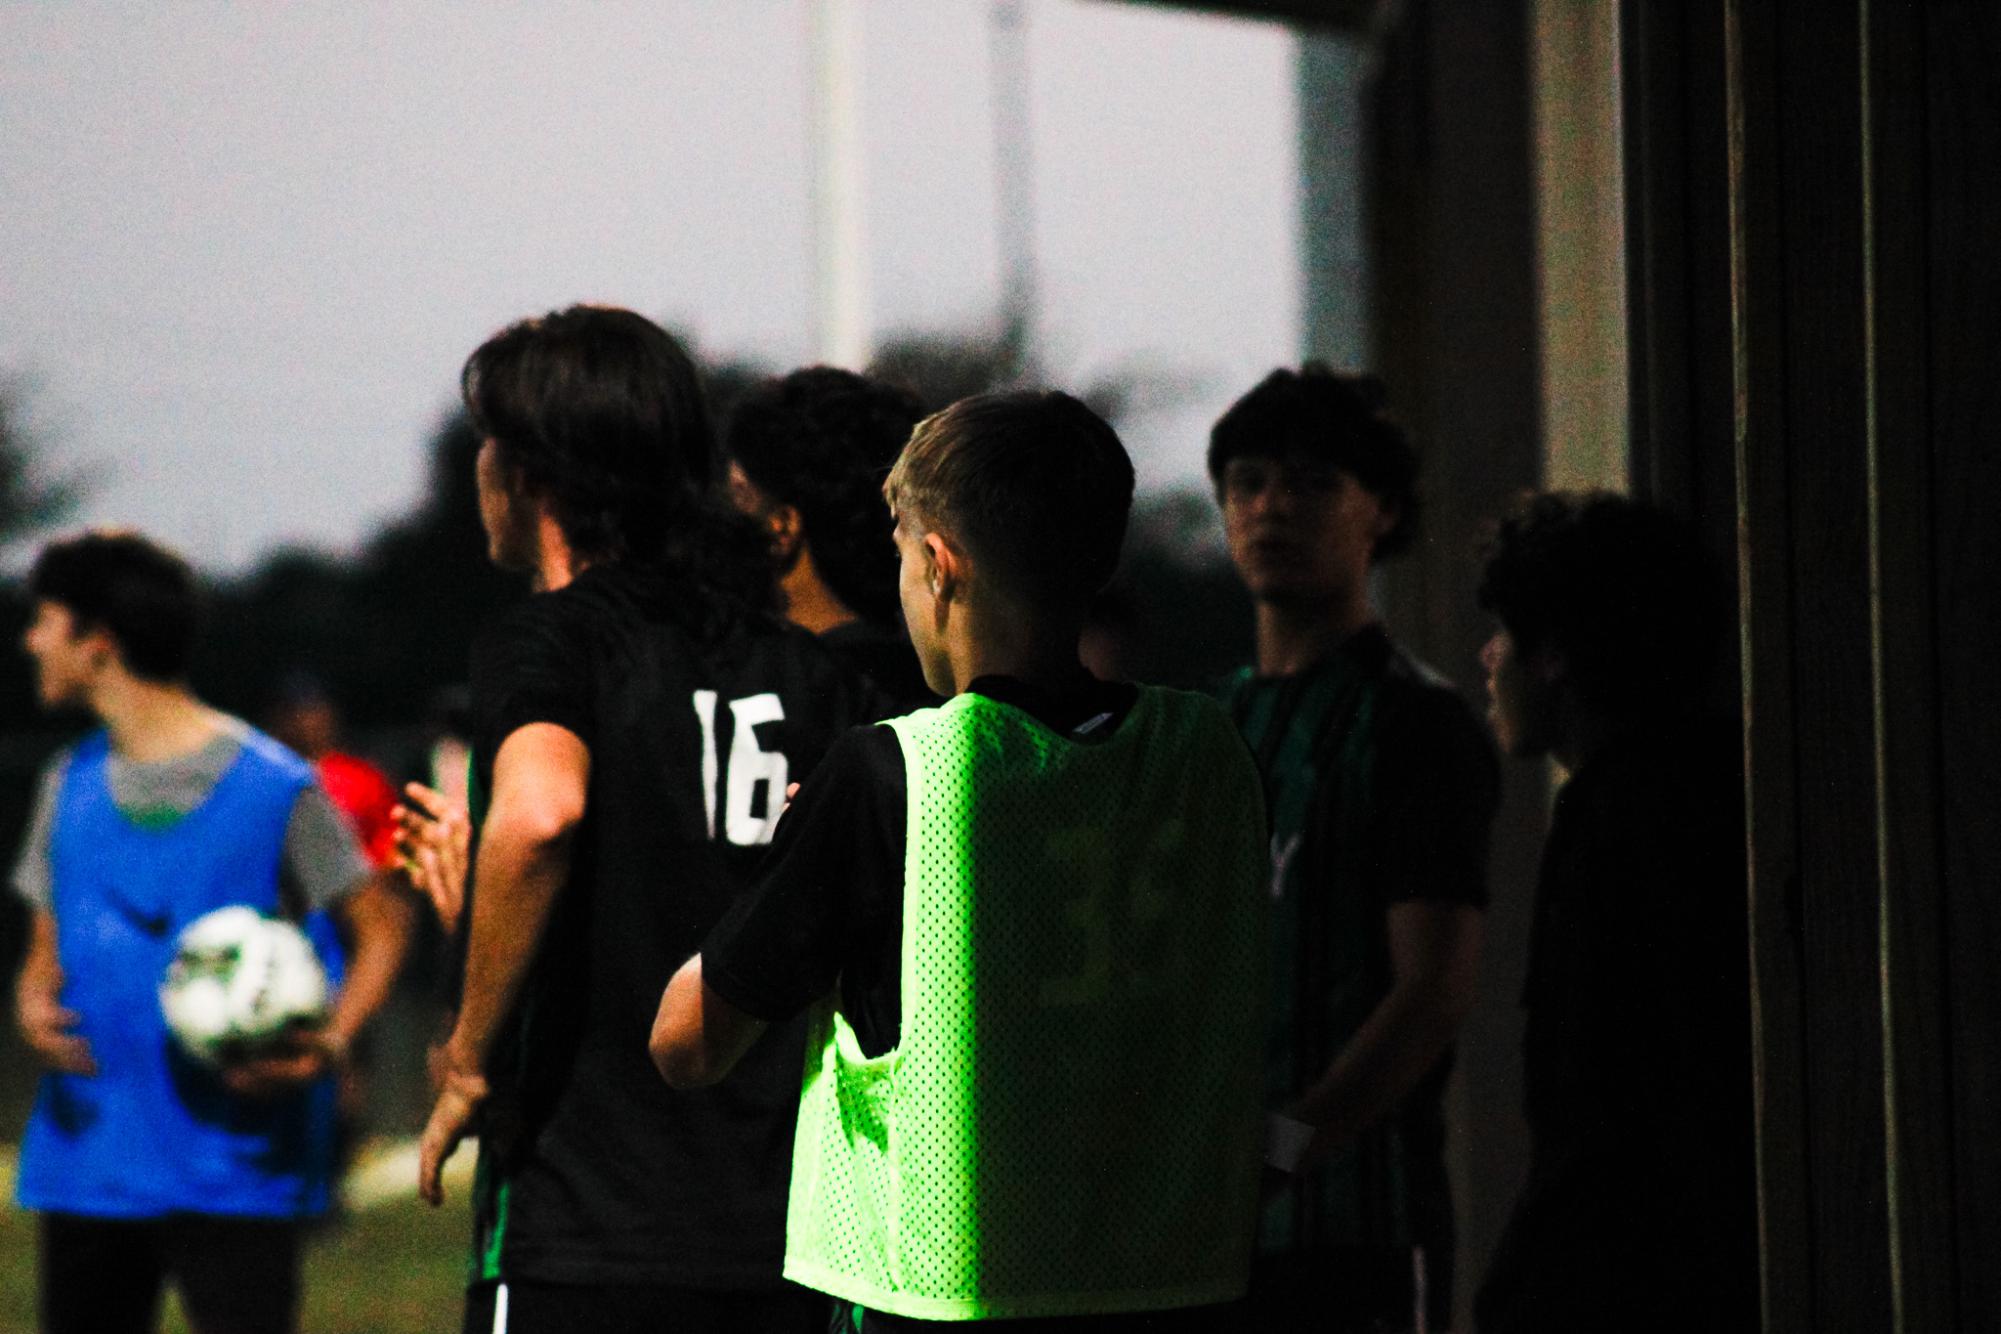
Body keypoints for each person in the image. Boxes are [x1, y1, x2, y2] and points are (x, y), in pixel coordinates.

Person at [652, 391, 1272, 1330]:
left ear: (939, 567)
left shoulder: (890, 772)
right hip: (1172, 1280)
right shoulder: (1208, 753)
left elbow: (686, 1044)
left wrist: (793, 860)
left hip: (938, 1289)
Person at [413, 306, 878, 1334]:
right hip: (786, 1234)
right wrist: (482, 911)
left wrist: (468, 1051)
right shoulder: (802, 665)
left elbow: (540, 815)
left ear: (529, 472)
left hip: (587, 1226)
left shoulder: (553, 638)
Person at [10, 529, 413, 1334]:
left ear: (98, 644)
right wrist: (31, 998)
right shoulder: (69, 783)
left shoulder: (274, 787)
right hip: (90, 1161)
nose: (30, 640)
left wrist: (329, 1041)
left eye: (45, 619)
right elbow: (46, 952)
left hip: (233, 1169)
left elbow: (382, 928)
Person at [1208, 366, 1499, 1332]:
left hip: (1359, 1231)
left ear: (1382, 512)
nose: (1270, 508)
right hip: (1205, 1234)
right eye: (1246, 481)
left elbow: (1432, 994)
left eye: (1310, 483)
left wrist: (1285, 1145)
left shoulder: (1412, 722)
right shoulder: (1211, 727)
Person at [1471, 492, 1755, 1333]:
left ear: (1552, 653)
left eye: (1504, 634)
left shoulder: (1621, 823)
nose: (1488, 659)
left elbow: (1608, 1114)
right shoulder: (1702, 792)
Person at [724, 365, 933, 707]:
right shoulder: (937, 688)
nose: (722, 520)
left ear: (782, 527)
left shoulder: (760, 694)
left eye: (739, 495)